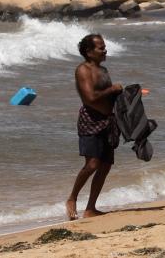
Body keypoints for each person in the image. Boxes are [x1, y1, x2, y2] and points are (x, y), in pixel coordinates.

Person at [66, 34, 123, 220]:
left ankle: (90, 208)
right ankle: (72, 198)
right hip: (90, 122)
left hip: (108, 121)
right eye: (100, 48)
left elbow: (109, 97)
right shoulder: (82, 70)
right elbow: (89, 98)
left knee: (105, 165)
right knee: (92, 164)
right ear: (89, 52)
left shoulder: (104, 70)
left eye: (105, 46)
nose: (105, 50)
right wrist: (112, 89)